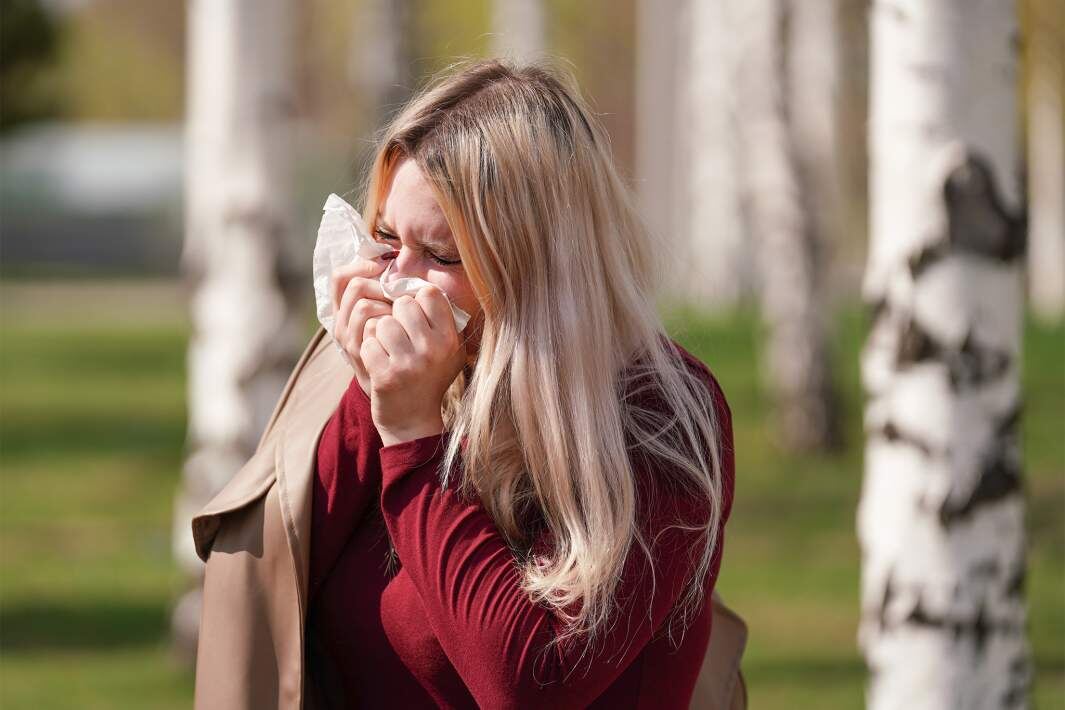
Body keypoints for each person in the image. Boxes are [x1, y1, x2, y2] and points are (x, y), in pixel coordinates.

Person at [190, 56, 741, 710]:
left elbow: (530, 682)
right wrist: (369, 394)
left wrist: (412, 436)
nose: (399, 280)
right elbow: (276, 576)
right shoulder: (402, 382)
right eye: (387, 240)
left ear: (535, 267)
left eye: (443, 255)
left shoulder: (655, 416)